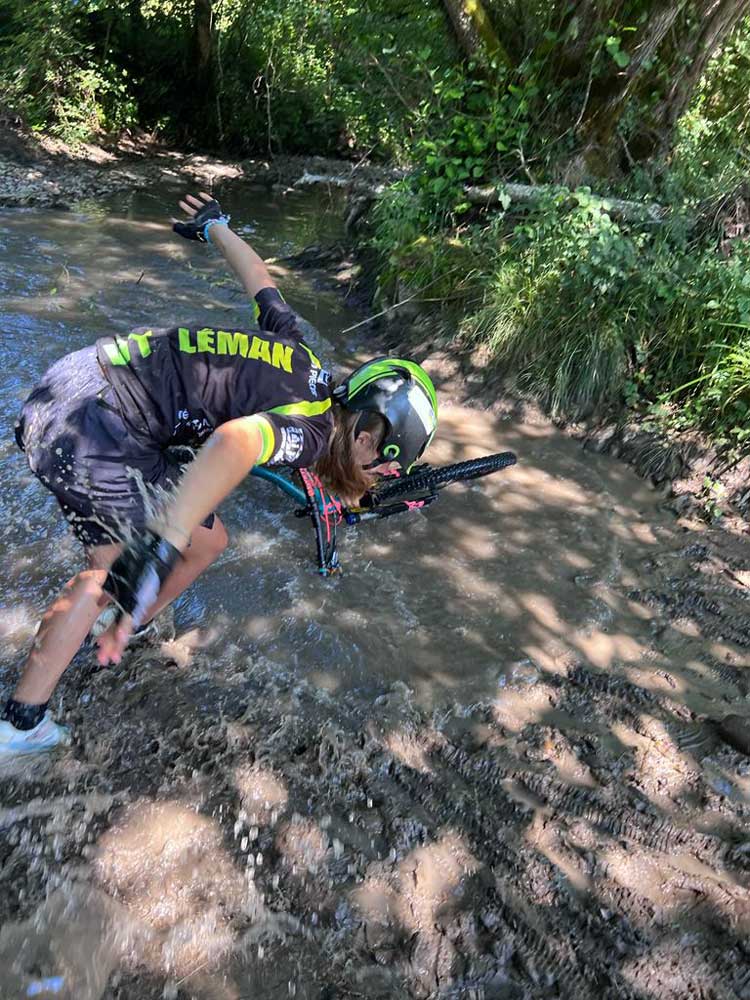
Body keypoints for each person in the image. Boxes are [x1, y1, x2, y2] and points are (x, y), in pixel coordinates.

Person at [0, 192, 438, 757]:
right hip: (92, 424)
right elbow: (234, 441)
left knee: (211, 542)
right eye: (380, 465)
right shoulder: (308, 435)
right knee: (110, 571)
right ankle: (21, 724)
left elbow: (260, 281)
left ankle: (126, 620)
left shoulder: (305, 359)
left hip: (85, 382)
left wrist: (215, 226)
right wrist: (160, 541)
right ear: (365, 438)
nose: (375, 478)